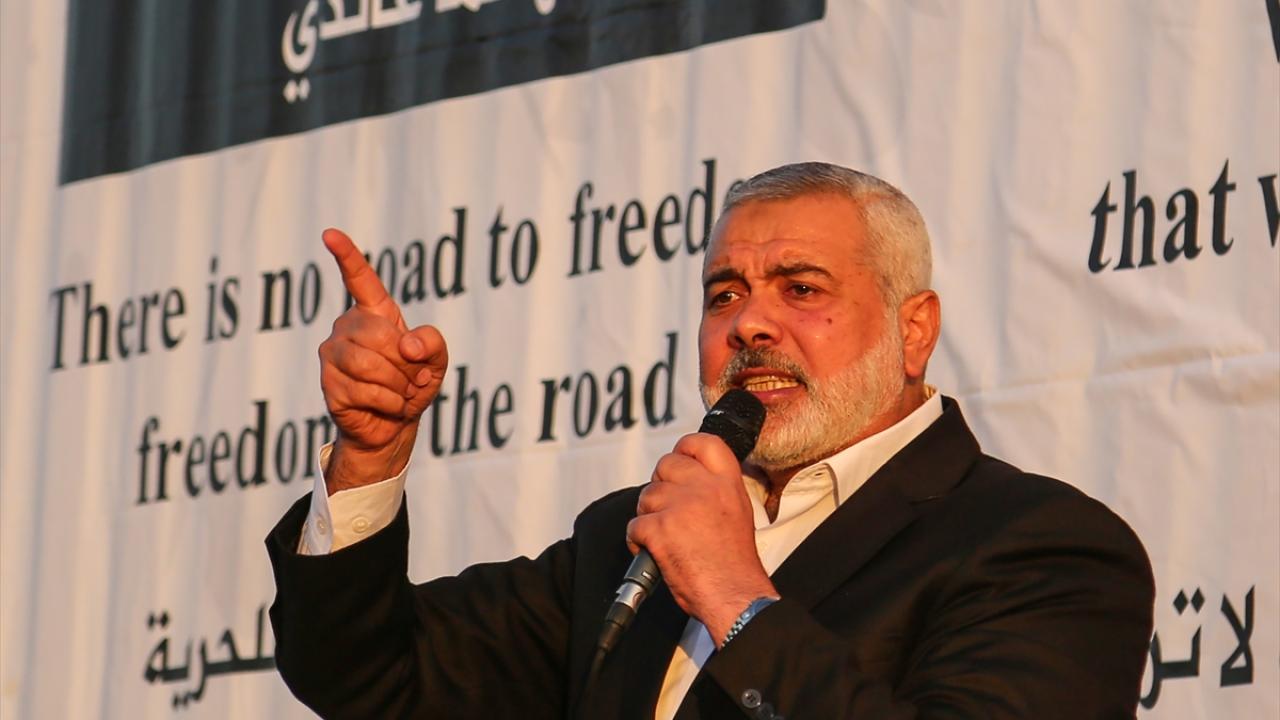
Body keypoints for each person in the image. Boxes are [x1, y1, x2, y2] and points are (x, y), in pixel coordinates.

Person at [267, 162, 1155, 719]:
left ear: (912, 329)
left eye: (801, 288)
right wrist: (370, 456)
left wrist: (735, 595)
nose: (750, 325)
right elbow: (368, 677)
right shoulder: (630, 537)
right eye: (724, 294)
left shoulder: (1040, 546)